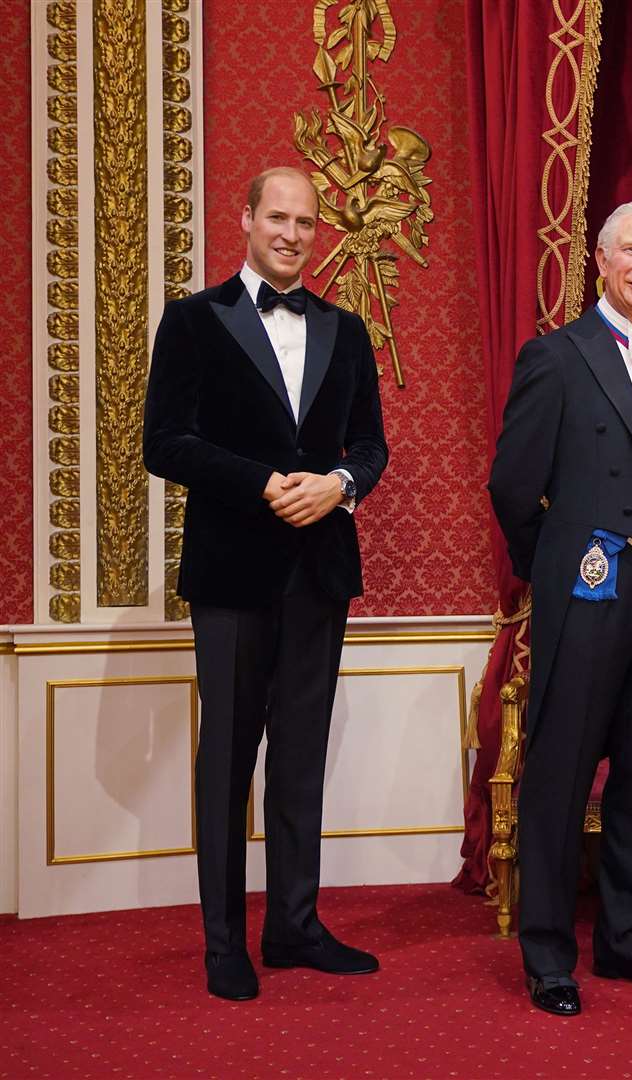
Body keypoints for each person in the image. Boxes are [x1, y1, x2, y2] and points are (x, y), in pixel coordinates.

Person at [143, 166, 389, 1001]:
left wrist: (340, 485)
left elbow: (370, 446)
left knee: (299, 762)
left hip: (320, 571)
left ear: (319, 233)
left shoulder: (346, 330)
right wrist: (262, 482)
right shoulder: (192, 321)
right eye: (277, 217)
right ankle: (223, 942)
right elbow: (163, 443)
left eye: (306, 222)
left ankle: (293, 926)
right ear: (246, 220)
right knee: (228, 760)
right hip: (232, 573)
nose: (291, 233)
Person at [489, 201, 632, 1018]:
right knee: (560, 773)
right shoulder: (556, 357)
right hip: (586, 585)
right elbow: (513, 485)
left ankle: (629, 940)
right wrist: (548, 569)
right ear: (601, 260)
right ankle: (549, 955)